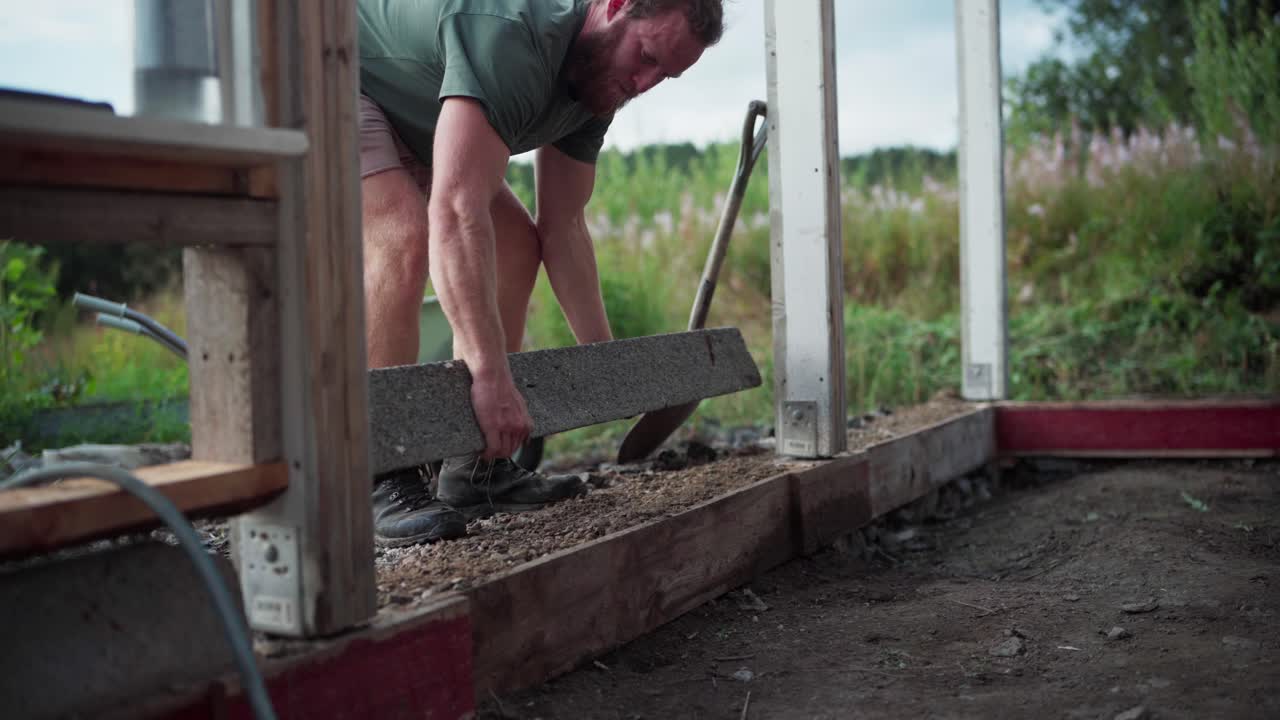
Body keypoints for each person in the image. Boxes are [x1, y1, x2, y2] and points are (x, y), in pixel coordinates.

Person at [358, 0, 725, 546]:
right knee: (404, 233)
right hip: (330, 72)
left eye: (663, 75)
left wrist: (607, 365)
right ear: (615, 7)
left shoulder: (600, 82)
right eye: (645, 55)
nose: (643, 82)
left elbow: (564, 226)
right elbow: (457, 211)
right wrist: (489, 376)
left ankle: (472, 466)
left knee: (516, 245)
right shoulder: (514, 38)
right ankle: (373, 470)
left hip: (414, 117)